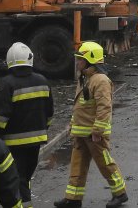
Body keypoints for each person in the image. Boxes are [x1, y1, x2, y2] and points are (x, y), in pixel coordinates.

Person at [54, 42, 128, 208]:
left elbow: (104, 107)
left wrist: (98, 130)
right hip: (81, 132)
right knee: (77, 165)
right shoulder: (85, 78)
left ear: (90, 60)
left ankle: (120, 193)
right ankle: (73, 198)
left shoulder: (100, 80)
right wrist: (73, 124)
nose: (78, 62)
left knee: (105, 164)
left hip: (94, 134)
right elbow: (80, 106)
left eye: (81, 59)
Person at [0, 42, 53, 207]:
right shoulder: (43, 81)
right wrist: (42, 129)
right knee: (25, 177)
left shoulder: (6, 83)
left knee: (17, 179)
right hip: (36, 141)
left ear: (10, 60)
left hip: (12, 144)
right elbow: (49, 113)